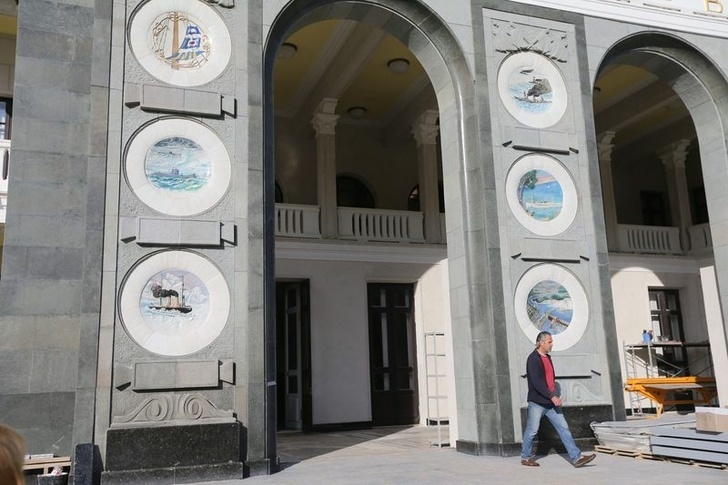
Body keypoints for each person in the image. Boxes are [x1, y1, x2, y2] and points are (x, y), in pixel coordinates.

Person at [520, 331, 596, 468]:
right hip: (537, 402)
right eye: (549, 342)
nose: (552, 344)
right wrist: (552, 396)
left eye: (551, 341)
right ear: (541, 343)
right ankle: (525, 457)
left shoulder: (547, 357)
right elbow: (537, 383)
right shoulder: (533, 359)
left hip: (550, 403)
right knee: (532, 430)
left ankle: (577, 458)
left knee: (564, 428)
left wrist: (554, 394)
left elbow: (550, 379)